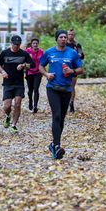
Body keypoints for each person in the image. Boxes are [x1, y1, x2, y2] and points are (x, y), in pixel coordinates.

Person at [39, 30, 84, 159]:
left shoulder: (72, 53)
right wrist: (47, 74)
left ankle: (54, 144)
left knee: (62, 118)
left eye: (65, 37)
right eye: (61, 37)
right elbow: (40, 66)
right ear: (56, 39)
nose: (64, 39)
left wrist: (72, 70)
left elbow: (81, 69)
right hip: (53, 88)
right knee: (56, 116)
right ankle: (58, 146)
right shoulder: (49, 52)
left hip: (66, 89)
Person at [0, 35, 35, 133]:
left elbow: (32, 64)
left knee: (17, 104)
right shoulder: (5, 53)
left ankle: (13, 125)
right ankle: (8, 116)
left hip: (19, 83)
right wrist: (3, 72)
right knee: (7, 106)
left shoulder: (24, 54)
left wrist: (23, 65)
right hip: (8, 83)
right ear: (11, 43)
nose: (16, 46)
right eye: (14, 44)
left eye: (18, 45)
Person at [66, 29, 85, 113]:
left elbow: (82, 55)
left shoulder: (77, 45)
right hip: (65, 67)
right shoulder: (64, 43)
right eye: (69, 34)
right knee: (64, 85)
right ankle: (64, 102)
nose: (70, 36)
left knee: (72, 86)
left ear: (74, 35)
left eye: (72, 34)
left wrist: (80, 55)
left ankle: (71, 103)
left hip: (74, 68)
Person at [25, 38, 44, 113]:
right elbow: (24, 60)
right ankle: (30, 101)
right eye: (34, 43)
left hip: (38, 72)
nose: (35, 45)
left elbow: (43, 62)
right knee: (30, 90)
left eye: (36, 43)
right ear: (31, 44)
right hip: (29, 72)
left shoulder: (41, 52)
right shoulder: (27, 51)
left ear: (38, 44)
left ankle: (35, 106)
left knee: (36, 89)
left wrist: (43, 71)